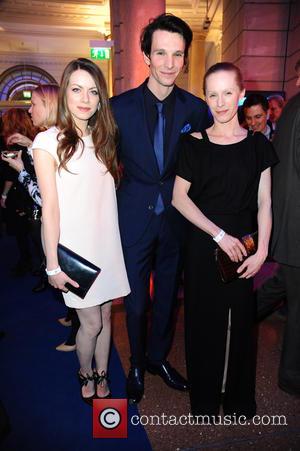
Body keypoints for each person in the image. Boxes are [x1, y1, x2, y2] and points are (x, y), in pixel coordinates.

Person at [110, 13, 210, 404]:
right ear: (147, 56)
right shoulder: (118, 108)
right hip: (133, 216)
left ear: (185, 59)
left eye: (178, 54)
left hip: (176, 219)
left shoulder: (195, 109)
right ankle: (135, 362)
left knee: (168, 297)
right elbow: (103, 166)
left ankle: (157, 358)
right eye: (161, 53)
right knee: (136, 302)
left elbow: (206, 167)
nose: (169, 63)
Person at [172, 62, 278, 418]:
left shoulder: (258, 146)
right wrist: (218, 234)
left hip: (244, 248)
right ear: (205, 97)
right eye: (212, 94)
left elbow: (265, 202)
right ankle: (204, 400)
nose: (220, 102)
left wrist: (262, 249)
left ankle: (237, 400)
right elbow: (179, 198)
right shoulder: (192, 144)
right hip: (204, 244)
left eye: (227, 93)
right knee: (203, 322)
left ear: (241, 94)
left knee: (239, 323)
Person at [33, 58, 130, 404]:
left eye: (92, 91)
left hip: (107, 244)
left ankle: (102, 374)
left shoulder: (104, 139)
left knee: (105, 316)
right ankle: (85, 372)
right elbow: (51, 209)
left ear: (101, 98)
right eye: (76, 89)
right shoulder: (48, 141)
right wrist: (52, 266)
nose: (85, 98)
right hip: (74, 250)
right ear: (64, 93)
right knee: (90, 324)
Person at [256, 91, 300, 398]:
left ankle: (236, 316)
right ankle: (292, 376)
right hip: (296, 225)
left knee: (283, 284)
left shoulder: (295, 104)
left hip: (291, 223)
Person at [1, 85, 59, 292]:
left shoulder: (45, 139)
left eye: (33, 104)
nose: (29, 110)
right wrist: (29, 144)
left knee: (89, 320)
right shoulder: (61, 135)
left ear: (49, 105)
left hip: (60, 223)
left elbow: (43, 198)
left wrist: (20, 170)